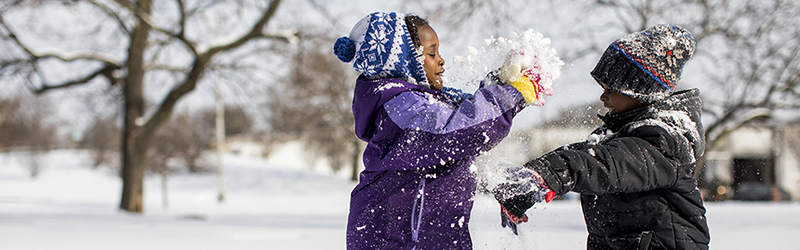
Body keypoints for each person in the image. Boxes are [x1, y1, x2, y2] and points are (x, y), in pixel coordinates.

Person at [333, 12, 550, 250]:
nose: (441, 60)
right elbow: (462, 130)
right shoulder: (400, 107)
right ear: (403, 60)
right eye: (431, 53)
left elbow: (465, 116)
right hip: (398, 242)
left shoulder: (419, 104)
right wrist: (513, 94)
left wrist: (501, 82)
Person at [492, 24, 711, 250]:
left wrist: (546, 175)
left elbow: (604, 163)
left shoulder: (664, 139)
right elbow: (580, 154)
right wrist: (530, 176)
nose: (603, 97)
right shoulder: (621, 134)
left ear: (638, 91)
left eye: (610, 89)